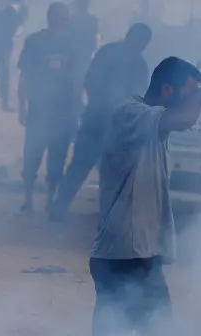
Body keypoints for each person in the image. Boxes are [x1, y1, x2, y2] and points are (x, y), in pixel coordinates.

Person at [84, 56, 201, 336]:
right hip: (126, 255)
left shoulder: (152, 121)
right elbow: (182, 119)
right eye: (186, 92)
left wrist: (200, 98)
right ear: (167, 90)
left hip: (134, 254)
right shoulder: (130, 113)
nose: (192, 100)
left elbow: (185, 120)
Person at [49, 20, 150, 221]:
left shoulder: (138, 63)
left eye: (143, 42)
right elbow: (91, 81)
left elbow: (139, 96)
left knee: (109, 172)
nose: (140, 45)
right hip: (98, 120)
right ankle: (58, 210)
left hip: (115, 126)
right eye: (139, 40)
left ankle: (105, 216)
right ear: (130, 36)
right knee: (81, 165)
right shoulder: (110, 53)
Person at [16, 1, 75, 215]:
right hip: (39, 109)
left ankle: (50, 200)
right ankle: (28, 200)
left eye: (67, 16)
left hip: (61, 110)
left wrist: (75, 110)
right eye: (63, 16)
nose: (66, 20)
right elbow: (25, 75)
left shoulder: (70, 44)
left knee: (57, 157)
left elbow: (74, 79)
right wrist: (21, 106)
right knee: (32, 154)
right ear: (52, 18)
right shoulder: (35, 42)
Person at [69, 0, 98, 95]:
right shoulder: (92, 19)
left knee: (79, 75)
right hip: (81, 52)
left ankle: (77, 95)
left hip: (80, 52)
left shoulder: (73, 18)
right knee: (80, 75)